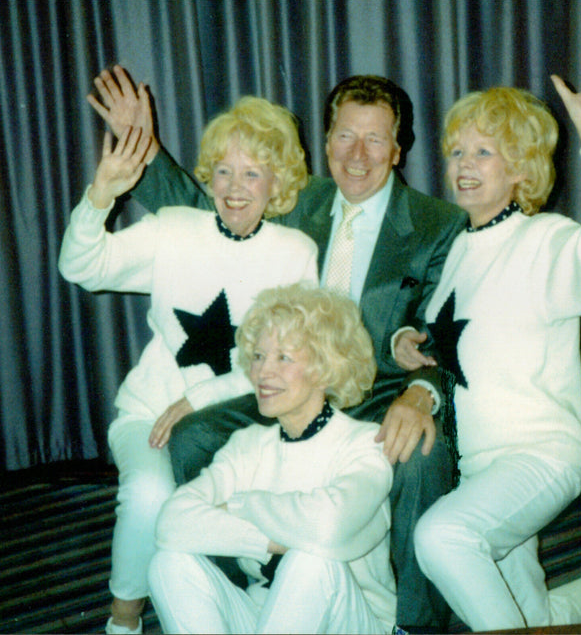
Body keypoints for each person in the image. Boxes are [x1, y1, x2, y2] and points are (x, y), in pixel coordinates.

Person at [88, 68, 467, 630]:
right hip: (283, 383)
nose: (356, 155)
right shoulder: (297, 200)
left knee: (419, 454)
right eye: (344, 136)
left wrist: (421, 391)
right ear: (326, 140)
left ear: (398, 147)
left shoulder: (438, 223)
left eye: (375, 138)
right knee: (193, 437)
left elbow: (449, 330)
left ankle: (413, 624)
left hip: (377, 391)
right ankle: (236, 586)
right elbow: (207, 205)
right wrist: (142, 149)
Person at [393, 51, 581, 631]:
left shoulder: (542, 240)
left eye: (484, 151)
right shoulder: (458, 249)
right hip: (482, 469)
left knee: (443, 536)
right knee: (528, 617)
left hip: (540, 456)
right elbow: (453, 339)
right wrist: (412, 341)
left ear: (522, 170)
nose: (463, 164)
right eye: (457, 151)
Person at [59, 96, 318, 634]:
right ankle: (122, 620)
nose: (234, 187)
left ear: (278, 182)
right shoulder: (173, 228)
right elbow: (82, 266)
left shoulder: (295, 252)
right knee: (151, 494)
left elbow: (293, 358)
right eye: (223, 171)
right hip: (150, 414)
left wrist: (199, 399)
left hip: (246, 418)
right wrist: (100, 195)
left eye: (252, 172)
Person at [147, 283, 396, 633]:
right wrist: (268, 540)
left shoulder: (364, 445)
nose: (263, 373)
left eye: (284, 357)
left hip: (351, 620)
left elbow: (326, 529)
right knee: (168, 563)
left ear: (325, 368)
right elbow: (171, 523)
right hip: (266, 613)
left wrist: (237, 506)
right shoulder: (247, 445)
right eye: (259, 356)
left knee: (310, 561)